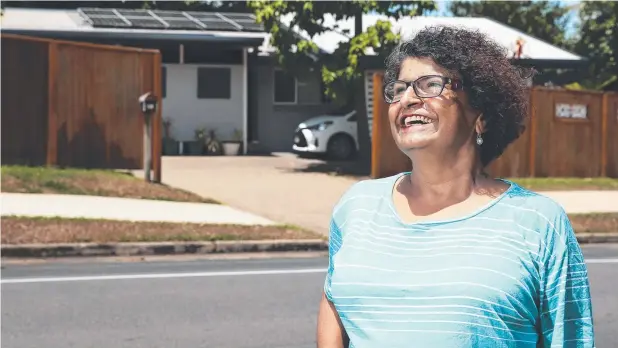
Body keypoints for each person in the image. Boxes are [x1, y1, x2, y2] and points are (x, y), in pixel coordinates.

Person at [316, 25, 595, 348]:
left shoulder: (538, 222)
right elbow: (334, 302)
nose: (407, 99)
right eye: (399, 88)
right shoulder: (356, 205)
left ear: (481, 114)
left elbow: (570, 339)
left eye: (430, 85)